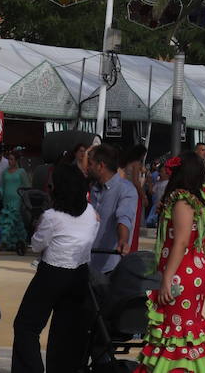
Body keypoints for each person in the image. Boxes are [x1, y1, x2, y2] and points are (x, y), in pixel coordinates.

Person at [135, 151, 205, 373]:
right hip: (191, 268)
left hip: (181, 272)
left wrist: (167, 279)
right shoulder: (199, 196)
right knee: (182, 330)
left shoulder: (182, 200)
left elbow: (180, 242)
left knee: (177, 331)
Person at [11, 161, 99, 373]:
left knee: (26, 326)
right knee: (66, 331)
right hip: (79, 274)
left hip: (52, 273)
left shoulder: (52, 216)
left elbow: (37, 244)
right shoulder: (90, 212)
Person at [88, 144, 139, 276]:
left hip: (109, 267)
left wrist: (122, 240)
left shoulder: (126, 190)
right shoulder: (93, 188)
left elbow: (123, 217)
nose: (88, 167)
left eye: (91, 164)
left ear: (101, 166)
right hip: (86, 262)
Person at [0, 149, 31, 251]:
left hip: (17, 200)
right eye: (8, 159)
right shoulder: (4, 172)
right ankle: (15, 243)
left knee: (11, 219)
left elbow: (27, 187)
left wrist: (25, 199)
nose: (9, 161)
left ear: (16, 160)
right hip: (6, 200)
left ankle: (3, 241)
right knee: (13, 221)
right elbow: (1, 186)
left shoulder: (21, 172)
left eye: (12, 159)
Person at [120, 143, 148, 253]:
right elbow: (136, 182)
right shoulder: (136, 164)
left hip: (125, 191)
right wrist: (144, 196)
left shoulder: (127, 163)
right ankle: (131, 247)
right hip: (134, 193)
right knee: (134, 222)